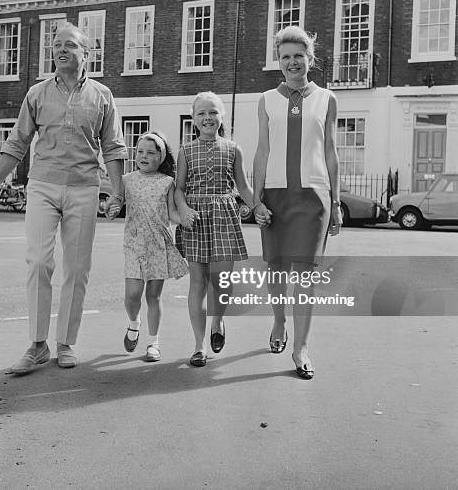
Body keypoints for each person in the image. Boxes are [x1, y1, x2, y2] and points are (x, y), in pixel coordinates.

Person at [0, 22, 127, 374]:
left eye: (70, 45)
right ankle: (36, 345)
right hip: (42, 186)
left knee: (77, 269)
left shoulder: (103, 96)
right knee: (38, 262)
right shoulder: (36, 94)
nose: (61, 50)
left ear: (86, 54)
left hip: (84, 188)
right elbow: (16, 143)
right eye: (57, 45)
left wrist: (118, 193)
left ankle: (65, 343)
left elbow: (113, 148)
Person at [253, 25, 342, 380]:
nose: (293, 62)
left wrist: (335, 202)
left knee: (305, 275)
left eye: (299, 56)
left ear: (310, 59)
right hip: (275, 196)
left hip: (313, 197)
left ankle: (301, 347)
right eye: (286, 56)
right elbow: (262, 151)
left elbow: (332, 152)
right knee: (276, 271)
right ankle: (278, 322)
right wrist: (256, 200)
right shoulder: (266, 100)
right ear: (279, 60)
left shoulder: (327, 99)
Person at [175, 92, 254, 367]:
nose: (207, 118)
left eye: (213, 112)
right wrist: (183, 210)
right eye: (201, 113)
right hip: (195, 219)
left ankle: (217, 322)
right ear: (193, 119)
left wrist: (260, 207)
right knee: (198, 282)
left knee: (221, 281)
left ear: (222, 117)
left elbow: (243, 187)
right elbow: (179, 189)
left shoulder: (234, 149)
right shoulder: (185, 150)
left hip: (223, 215)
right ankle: (198, 346)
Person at [108, 131, 188, 362]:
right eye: (140, 151)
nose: (144, 156)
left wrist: (184, 218)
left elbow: (173, 213)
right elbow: (116, 204)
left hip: (159, 244)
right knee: (133, 295)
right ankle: (134, 323)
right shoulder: (126, 180)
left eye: (151, 153)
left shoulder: (168, 182)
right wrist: (111, 209)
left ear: (161, 157)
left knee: (153, 296)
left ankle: (154, 342)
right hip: (133, 244)